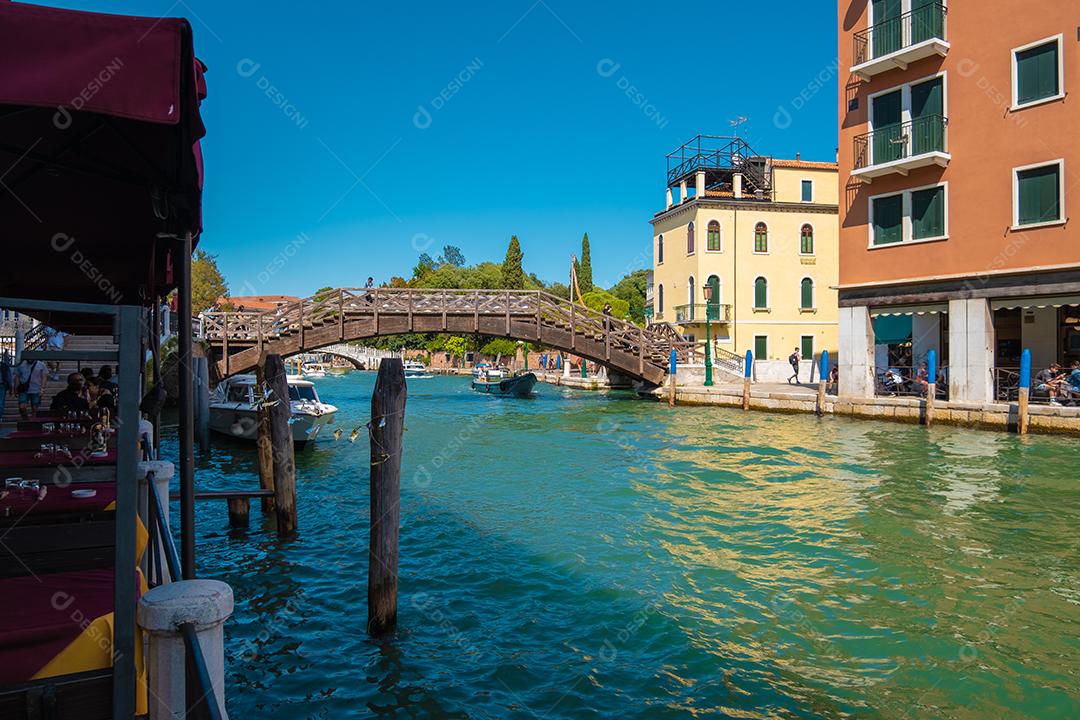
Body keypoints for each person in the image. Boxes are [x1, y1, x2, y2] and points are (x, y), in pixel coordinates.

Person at [0, 352, 12, 422]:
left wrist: (10, 387)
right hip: (2, 385)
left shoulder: (4, 366)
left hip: (2, 385)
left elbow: (9, 377)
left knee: (1, 402)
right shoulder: (5, 366)